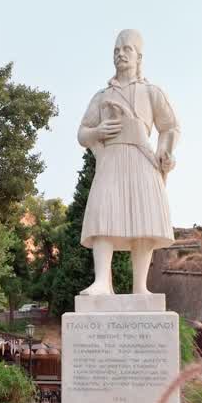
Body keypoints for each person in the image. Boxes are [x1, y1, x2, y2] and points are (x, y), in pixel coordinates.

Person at [76, 28, 181, 296]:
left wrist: (163, 151)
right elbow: (82, 132)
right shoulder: (102, 96)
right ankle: (102, 282)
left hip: (141, 157)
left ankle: (140, 287)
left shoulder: (152, 91)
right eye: (116, 50)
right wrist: (98, 133)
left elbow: (170, 127)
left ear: (139, 57)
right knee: (103, 214)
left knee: (143, 222)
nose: (120, 54)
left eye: (126, 49)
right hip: (110, 159)